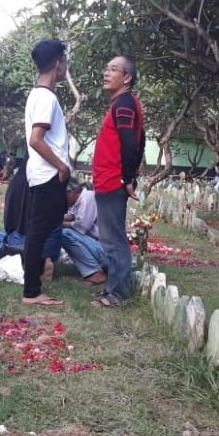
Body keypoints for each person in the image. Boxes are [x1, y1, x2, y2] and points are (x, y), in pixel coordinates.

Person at [91, 55, 145, 308]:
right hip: (108, 179)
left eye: (113, 69)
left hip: (113, 180)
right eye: (106, 68)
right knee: (109, 239)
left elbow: (130, 142)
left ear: (127, 78)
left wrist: (127, 177)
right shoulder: (123, 103)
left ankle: (118, 295)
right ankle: (113, 287)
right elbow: (141, 138)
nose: (106, 73)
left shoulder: (124, 103)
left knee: (113, 240)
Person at [21, 38, 71, 307]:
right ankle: (31, 291)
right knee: (38, 231)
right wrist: (61, 166)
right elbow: (36, 140)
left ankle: (34, 284)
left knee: (42, 228)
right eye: (64, 60)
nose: (66, 66)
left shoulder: (41, 95)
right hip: (48, 173)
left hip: (45, 173)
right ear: (56, 64)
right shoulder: (45, 98)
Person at [0, 162, 61, 274]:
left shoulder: (18, 183)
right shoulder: (53, 184)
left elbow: (8, 223)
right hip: (51, 246)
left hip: (23, 241)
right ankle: (45, 258)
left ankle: (25, 259)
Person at [61, 179, 107, 286]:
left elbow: (82, 226)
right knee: (64, 231)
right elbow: (71, 215)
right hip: (97, 245)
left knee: (65, 234)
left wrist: (61, 224)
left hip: (104, 247)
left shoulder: (88, 198)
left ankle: (95, 272)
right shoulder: (79, 200)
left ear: (70, 192)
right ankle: (93, 269)